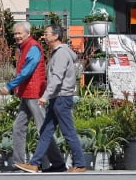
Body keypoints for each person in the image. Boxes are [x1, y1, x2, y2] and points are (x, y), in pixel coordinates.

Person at [15, 24, 86, 173]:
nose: (44, 36)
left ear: (55, 36)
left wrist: (45, 96)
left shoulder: (61, 54)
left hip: (61, 98)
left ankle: (79, 164)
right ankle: (35, 164)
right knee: (46, 132)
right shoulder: (57, 53)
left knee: (68, 132)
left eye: (47, 34)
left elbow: (57, 78)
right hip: (57, 98)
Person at [0, 21, 66, 172]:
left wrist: (10, 86)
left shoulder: (33, 47)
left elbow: (28, 70)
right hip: (27, 94)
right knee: (18, 127)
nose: (16, 36)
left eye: (19, 33)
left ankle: (58, 163)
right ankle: (18, 163)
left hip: (35, 94)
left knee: (43, 129)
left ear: (28, 33)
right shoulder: (24, 47)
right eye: (15, 33)